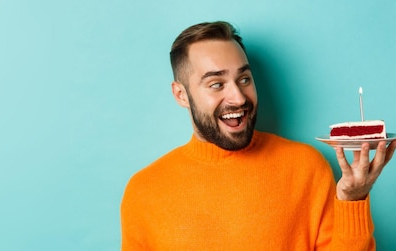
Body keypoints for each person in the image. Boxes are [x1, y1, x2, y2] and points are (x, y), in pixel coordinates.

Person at [120, 21, 396, 250]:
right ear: (181, 94)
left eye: (244, 79)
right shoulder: (144, 191)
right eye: (216, 84)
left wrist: (353, 199)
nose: (238, 97)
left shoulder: (306, 166)